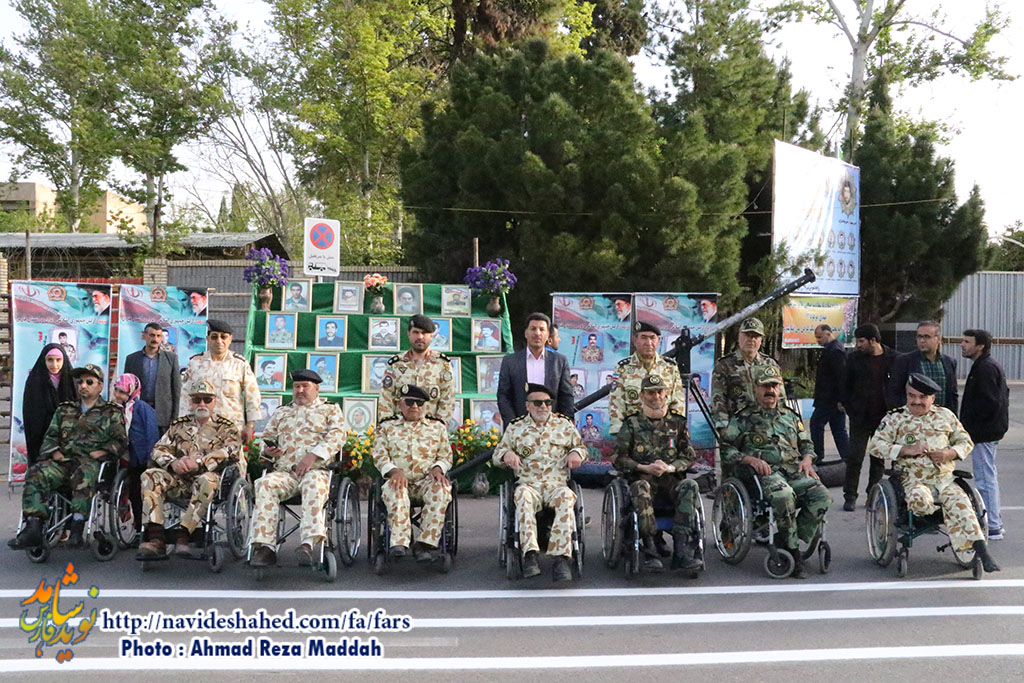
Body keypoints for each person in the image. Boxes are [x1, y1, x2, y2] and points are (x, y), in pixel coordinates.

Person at [867, 373, 999, 572]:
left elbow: (966, 441)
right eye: (911, 396)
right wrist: (905, 450)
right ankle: (943, 515)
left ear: (932, 398)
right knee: (920, 499)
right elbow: (875, 446)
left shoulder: (945, 416)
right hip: (912, 479)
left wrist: (949, 453)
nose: (916, 401)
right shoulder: (895, 418)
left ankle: (982, 551)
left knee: (963, 504)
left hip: (944, 480)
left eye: (922, 397)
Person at [719, 366, 830, 579]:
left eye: (774, 386)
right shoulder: (743, 418)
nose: (770, 390)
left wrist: (807, 459)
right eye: (765, 386)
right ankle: (793, 552)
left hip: (793, 470)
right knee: (784, 496)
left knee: (822, 496)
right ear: (756, 388)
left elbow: (807, 444)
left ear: (779, 389)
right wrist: (751, 460)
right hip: (764, 475)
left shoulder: (790, 416)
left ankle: (785, 539)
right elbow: (726, 450)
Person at [9, 364, 127, 549]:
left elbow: (120, 441)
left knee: (84, 473)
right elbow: (50, 436)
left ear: (100, 386)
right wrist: (54, 451)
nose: (83, 386)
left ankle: (77, 527)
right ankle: (33, 527)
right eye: (80, 382)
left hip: (91, 463)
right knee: (37, 472)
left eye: (89, 382)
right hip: (63, 462)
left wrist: (104, 451)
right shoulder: (65, 410)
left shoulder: (111, 412)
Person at [250, 370, 347, 567]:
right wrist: (268, 451)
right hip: (285, 473)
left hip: (316, 472)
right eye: (296, 387)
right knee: (264, 484)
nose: (300, 390)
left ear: (316, 389)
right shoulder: (281, 412)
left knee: (313, 485)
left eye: (305, 386)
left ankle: (307, 544)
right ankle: (266, 548)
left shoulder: (330, 410)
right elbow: (266, 438)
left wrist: (313, 456)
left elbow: (337, 437)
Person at [492, 383, 585, 582]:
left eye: (547, 403)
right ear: (527, 405)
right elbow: (497, 455)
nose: (543, 407)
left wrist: (576, 453)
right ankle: (530, 555)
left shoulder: (564, 425)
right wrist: (507, 454)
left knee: (567, 497)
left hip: (556, 484)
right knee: (522, 496)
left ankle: (561, 558)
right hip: (529, 483)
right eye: (537, 403)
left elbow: (581, 447)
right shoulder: (516, 427)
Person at [138, 381, 242, 557]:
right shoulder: (179, 425)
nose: (202, 404)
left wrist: (200, 462)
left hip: (210, 480)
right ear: (190, 403)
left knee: (206, 480)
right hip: (179, 479)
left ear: (214, 402)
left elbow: (231, 450)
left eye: (207, 400)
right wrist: (173, 462)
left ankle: (184, 536)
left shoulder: (226, 427)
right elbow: (158, 449)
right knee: (150, 475)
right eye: (197, 400)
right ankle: (156, 538)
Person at [614, 375, 702, 572]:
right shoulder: (631, 424)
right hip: (643, 481)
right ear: (642, 396)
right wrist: (643, 467)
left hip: (671, 482)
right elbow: (618, 458)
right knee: (641, 487)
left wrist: (670, 468)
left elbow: (689, 456)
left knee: (690, 485)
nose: (656, 396)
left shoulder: (677, 423)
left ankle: (681, 551)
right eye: (651, 392)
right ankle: (650, 549)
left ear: (667, 394)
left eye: (660, 392)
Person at [372, 385, 452, 562]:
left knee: (442, 490)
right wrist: (394, 471)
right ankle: (400, 543)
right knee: (397, 489)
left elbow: (446, 456)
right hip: (398, 479)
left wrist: (438, 468)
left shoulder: (437, 427)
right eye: (409, 402)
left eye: (419, 403)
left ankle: (424, 544)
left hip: (426, 480)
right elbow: (379, 455)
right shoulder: (386, 427)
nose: (414, 406)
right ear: (400, 404)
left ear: (426, 406)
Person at [840, 323, 896, 511]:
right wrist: (851, 408)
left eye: (861, 341)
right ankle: (850, 495)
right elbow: (845, 386)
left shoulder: (894, 358)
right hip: (860, 417)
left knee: (878, 458)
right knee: (855, 457)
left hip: (884, 419)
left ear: (873, 340)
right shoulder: (854, 359)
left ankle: (873, 495)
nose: (858, 345)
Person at [959, 329, 1009, 539]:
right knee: (987, 476)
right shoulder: (983, 366)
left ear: (980, 346)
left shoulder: (985, 369)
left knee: (985, 478)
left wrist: (973, 427)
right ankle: (994, 522)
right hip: (987, 431)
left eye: (967, 342)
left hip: (984, 433)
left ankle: (993, 525)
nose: (962, 345)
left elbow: (991, 403)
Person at [179, 320, 261, 441]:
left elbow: (252, 395)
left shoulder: (240, 364)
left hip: (231, 427)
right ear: (207, 339)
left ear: (230, 339)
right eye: (214, 337)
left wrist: (250, 425)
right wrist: (183, 424)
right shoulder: (195, 363)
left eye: (223, 337)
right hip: (201, 427)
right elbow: (186, 395)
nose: (219, 341)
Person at [496, 313, 574, 425]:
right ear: (526, 333)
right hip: (519, 427)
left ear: (548, 335)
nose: (537, 333)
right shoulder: (510, 361)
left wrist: (562, 424)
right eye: (533, 329)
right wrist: (513, 424)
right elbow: (503, 396)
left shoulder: (560, 362)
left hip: (552, 427)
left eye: (542, 329)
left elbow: (566, 396)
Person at [608, 321, 685, 435]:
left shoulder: (670, 367)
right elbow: (616, 402)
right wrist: (619, 433)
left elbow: (677, 402)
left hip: (664, 432)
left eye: (652, 338)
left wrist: (678, 429)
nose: (648, 343)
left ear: (658, 340)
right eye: (643, 338)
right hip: (633, 433)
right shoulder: (623, 368)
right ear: (635, 340)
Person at [710, 317, 786, 431]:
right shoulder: (724, 365)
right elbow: (718, 398)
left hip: (767, 426)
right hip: (737, 428)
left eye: (756, 336)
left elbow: (780, 397)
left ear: (761, 340)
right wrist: (723, 427)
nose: (751, 340)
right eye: (747, 335)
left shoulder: (770, 364)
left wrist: (782, 423)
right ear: (739, 336)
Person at [378, 315, 456, 424]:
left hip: (430, 430)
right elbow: (386, 398)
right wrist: (388, 427)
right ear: (408, 334)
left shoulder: (442, 364)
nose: (420, 337)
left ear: (431, 335)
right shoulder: (396, 364)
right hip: (399, 429)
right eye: (416, 332)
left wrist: (438, 427)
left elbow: (448, 400)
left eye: (424, 333)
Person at [112, 373, 160, 536]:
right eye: (116, 390)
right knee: (133, 493)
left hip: (142, 457)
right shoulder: (117, 409)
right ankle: (137, 525)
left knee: (142, 493)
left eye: (122, 392)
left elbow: (152, 433)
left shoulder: (142, 408)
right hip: (128, 458)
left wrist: (151, 457)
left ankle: (146, 527)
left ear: (132, 391)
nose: (118, 395)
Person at [21, 344, 76, 466]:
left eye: (58, 360)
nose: (54, 364)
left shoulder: (72, 381)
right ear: (44, 361)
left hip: (68, 438)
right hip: (41, 437)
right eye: (50, 360)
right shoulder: (34, 381)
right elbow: (31, 415)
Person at [887, 320, 958, 414]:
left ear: (939, 339)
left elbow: (952, 395)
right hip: (913, 417)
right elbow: (894, 393)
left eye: (927, 337)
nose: (922, 341)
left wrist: (952, 416)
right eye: (919, 336)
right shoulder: (904, 361)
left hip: (941, 418)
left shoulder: (949, 362)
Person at [123, 322, 181, 434]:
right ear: (144, 336)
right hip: (138, 414)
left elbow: (176, 390)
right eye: (152, 335)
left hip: (163, 416)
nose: (155, 339)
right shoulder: (132, 359)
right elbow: (126, 390)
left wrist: (174, 418)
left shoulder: (171, 359)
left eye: (158, 336)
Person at [810, 324, 849, 463]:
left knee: (816, 424)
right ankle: (848, 458)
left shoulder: (835, 351)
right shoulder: (831, 349)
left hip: (829, 399)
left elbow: (842, 377)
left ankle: (817, 455)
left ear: (828, 334)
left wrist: (842, 399)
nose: (818, 340)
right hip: (830, 398)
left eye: (820, 337)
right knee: (838, 429)